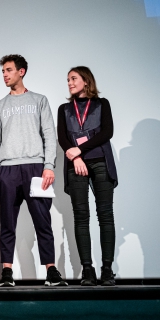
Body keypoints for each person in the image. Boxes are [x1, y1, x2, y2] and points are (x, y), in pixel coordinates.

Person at [0, 54, 67, 287]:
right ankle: (7, 273)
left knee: (43, 221)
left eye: (9, 70)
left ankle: (51, 271)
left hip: (35, 167)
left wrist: (49, 166)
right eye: (3, 71)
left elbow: (49, 135)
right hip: (8, 170)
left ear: (21, 72)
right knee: (7, 223)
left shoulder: (39, 100)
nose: (5, 75)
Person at [57, 66, 118, 286]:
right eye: (68, 80)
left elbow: (106, 132)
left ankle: (107, 269)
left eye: (73, 78)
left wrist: (80, 151)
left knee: (105, 215)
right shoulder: (64, 108)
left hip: (100, 162)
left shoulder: (102, 104)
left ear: (86, 81)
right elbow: (63, 138)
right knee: (81, 216)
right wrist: (76, 159)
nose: (70, 83)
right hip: (76, 165)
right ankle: (87, 270)